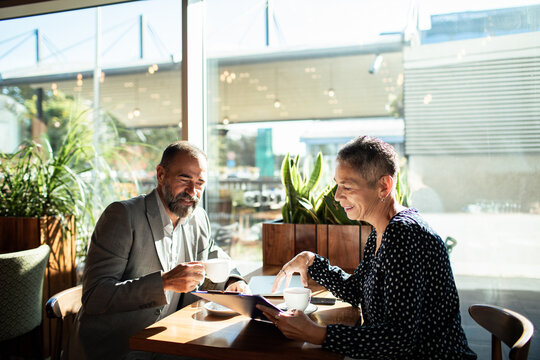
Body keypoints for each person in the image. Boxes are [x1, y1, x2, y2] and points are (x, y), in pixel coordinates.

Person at [257, 136, 476, 359]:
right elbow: (357, 291)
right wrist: (310, 261)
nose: (337, 196)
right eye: (337, 184)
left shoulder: (404, 234)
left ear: (384, 186)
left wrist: (317, 333)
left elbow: (399, 339)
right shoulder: (381, 230)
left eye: (347, 186)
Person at [65, 141, 249, 360]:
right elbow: (96, 296)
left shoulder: (197, 217)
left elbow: (211, 252)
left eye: (200, 182)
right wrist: (164, 282)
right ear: (161, 175)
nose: (192, 191)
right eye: (184, 179)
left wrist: (233, 280)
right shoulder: (122, 216)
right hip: (119, 346)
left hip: (170, 338)